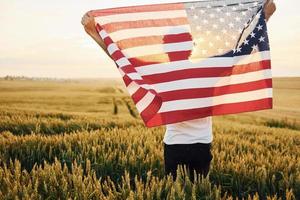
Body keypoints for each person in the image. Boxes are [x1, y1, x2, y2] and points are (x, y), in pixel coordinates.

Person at [81, 0, 276, 180]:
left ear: (166, 48)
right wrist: (264, 17)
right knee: (199, 192)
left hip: (174, 146)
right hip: (202, 145)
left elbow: (121, 60)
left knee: (176, 192)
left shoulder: (159, 72)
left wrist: (94, 32)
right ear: (191, 46)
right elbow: (242, 51)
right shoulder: (209, 68)